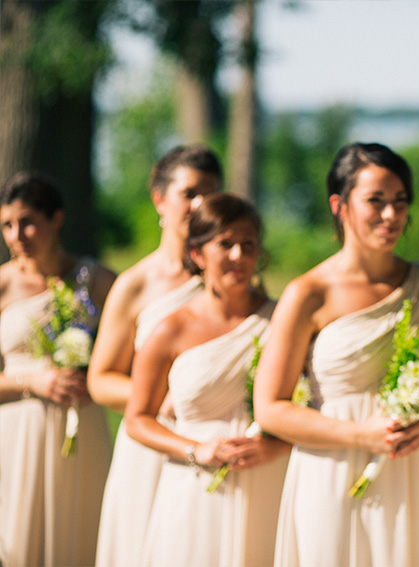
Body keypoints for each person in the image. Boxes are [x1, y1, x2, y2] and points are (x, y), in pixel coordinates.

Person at [254, 142, 419, 567]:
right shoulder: (307, 294)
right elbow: (270, 409)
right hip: (329, 470)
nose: (391, 215)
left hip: (410, 467)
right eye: (376, 201)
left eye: (400, 202)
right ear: (340, 204)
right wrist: (361, 435)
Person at [125, 193, 289, 567]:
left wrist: (276, 447)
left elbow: (309, 401)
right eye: (225, 244)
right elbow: (137, 420)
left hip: (267, 481)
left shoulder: (282, 322)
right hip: (195, 488)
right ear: (198, 254)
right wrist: (195, 449)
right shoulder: (170, 329)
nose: (239, 256)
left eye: (248, 244)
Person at [89, 144, 222, 566]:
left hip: (215, 441)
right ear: (160, 198)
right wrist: (156, 399)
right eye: (190, 193)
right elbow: (101, 378)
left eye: (211, 195)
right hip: (150, 447)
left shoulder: (231, 278)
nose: (201, 205)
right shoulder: (135, 284)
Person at [0, 171, 116, 566]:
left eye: (28, 221)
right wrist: (32, 380)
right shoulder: (1, 285)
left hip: (80, 426)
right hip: (18, 429)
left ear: (57, 219)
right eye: (7, 225)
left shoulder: (96, 281)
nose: (18, 235)